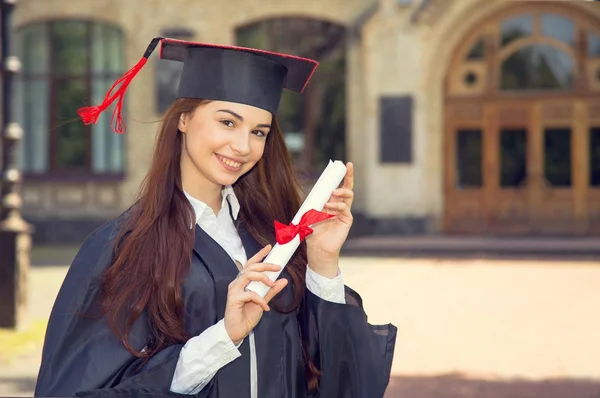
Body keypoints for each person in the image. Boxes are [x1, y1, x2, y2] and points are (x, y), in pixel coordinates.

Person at [34, 37, 397, 398]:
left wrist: (322, 260)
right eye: (227, 122)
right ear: (184, 119)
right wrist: (225, 336)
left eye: (258, 132)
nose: (243, 146)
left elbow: (336, 375)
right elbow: (85, 387)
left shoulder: (275, 238)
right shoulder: (124, 247)